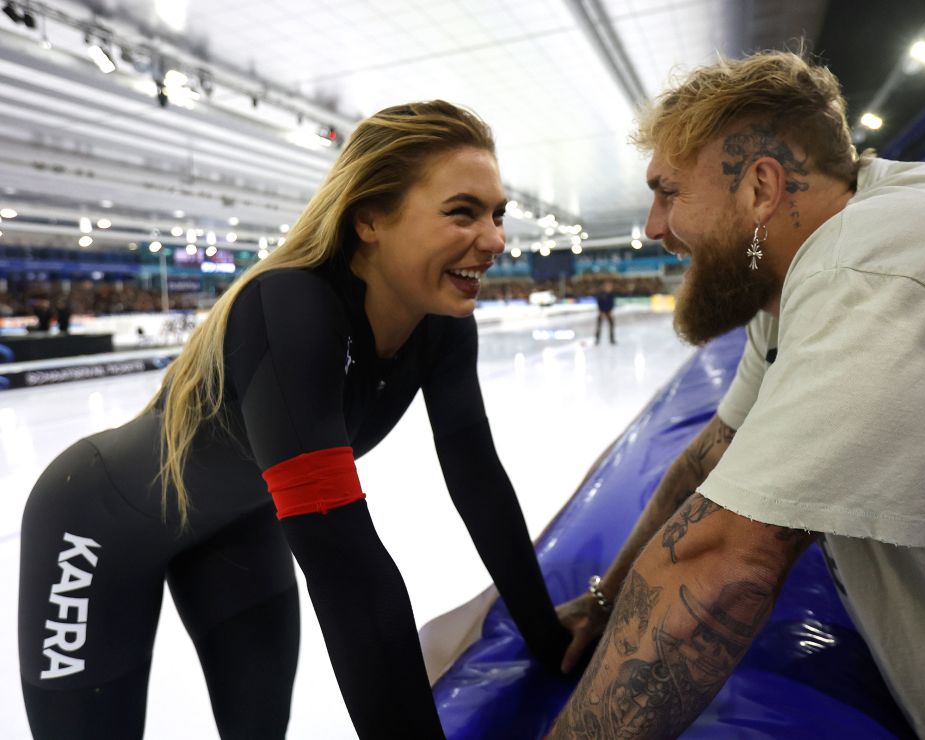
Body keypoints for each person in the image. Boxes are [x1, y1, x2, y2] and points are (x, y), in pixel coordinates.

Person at [550, 51, 925, 738]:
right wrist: (605, 600)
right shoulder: (805, 258)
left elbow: (726, 560)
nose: (653, 227)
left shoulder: (876, 264)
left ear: (760, 187)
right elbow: (710, 459)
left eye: (668, 193)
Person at [18, 100, 569, 739]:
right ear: (370, 220)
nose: (497, 238)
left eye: (497, 214)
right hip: (97, 529)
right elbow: (343, 561)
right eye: (462, 211)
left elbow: (478, 482)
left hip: (240, 529)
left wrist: (550, 639)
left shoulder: (443, 326)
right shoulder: (291, 308)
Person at [594, 279, 616, 344]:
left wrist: (610, 311)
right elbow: (599, 303)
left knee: (611, 325)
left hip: (608, 312)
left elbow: (612, 303)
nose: (609, 287)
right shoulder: (601, 294)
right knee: (599, 326)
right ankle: (597, 340)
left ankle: (612, 339)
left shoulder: (611, 294)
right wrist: (601, 312)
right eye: (608, 286)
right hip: (602, 312)